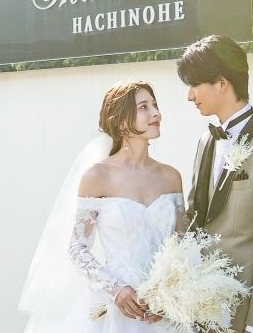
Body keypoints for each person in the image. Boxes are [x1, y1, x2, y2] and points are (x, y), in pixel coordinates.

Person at [19, 80, 186, 332]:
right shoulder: (97, 176)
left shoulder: (171, 177)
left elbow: (182, 244)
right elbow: (77, 248)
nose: (156, 113)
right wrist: (115, 289)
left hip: (163, 310)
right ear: (121, 121)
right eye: (144, 107)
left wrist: (169, 294)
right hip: (116, 308)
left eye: (155, 105)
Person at [177, 35, 253, 333]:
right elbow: (196, 220)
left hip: (244, 314)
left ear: (222, 83)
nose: (190, 96)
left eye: (195, 85)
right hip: (198, 308)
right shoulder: (205, 141)